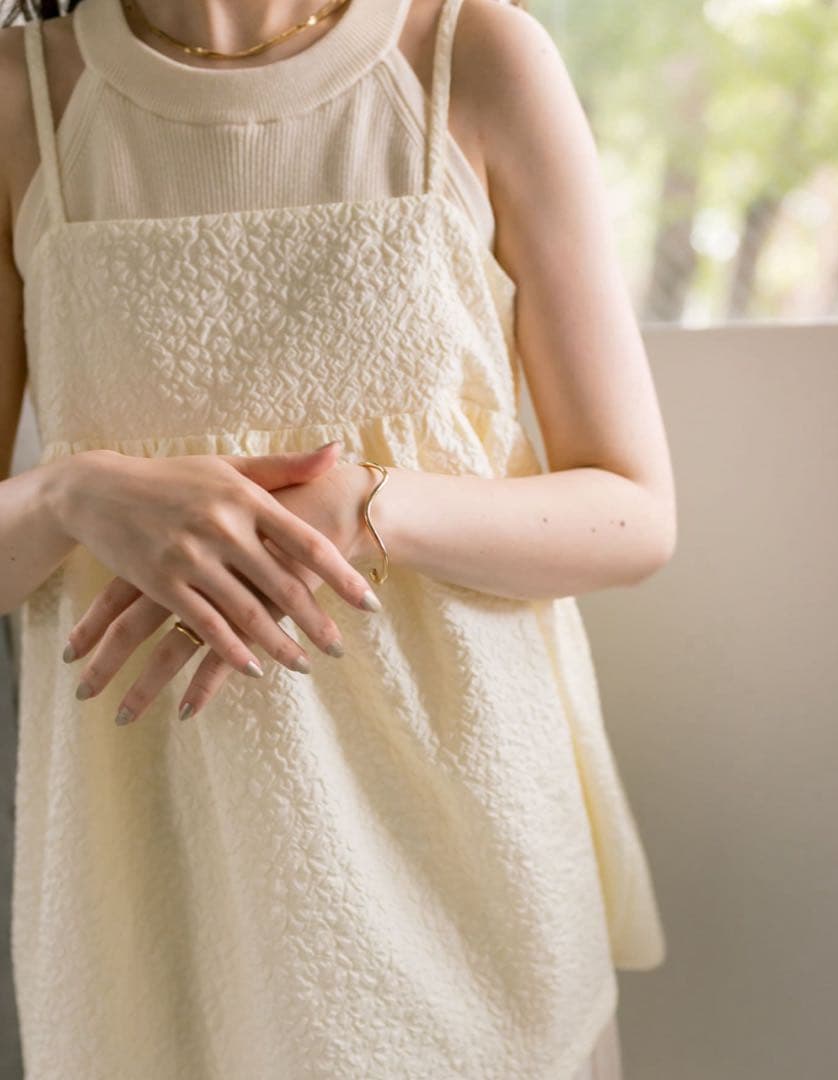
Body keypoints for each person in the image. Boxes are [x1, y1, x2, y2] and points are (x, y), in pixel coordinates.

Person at [0, 0, 674, 1075]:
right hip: (157, 909)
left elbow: (633, 514)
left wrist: (368, 508)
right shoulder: (24, 96)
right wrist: (67, 497)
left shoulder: (470, 56)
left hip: (470, 882)